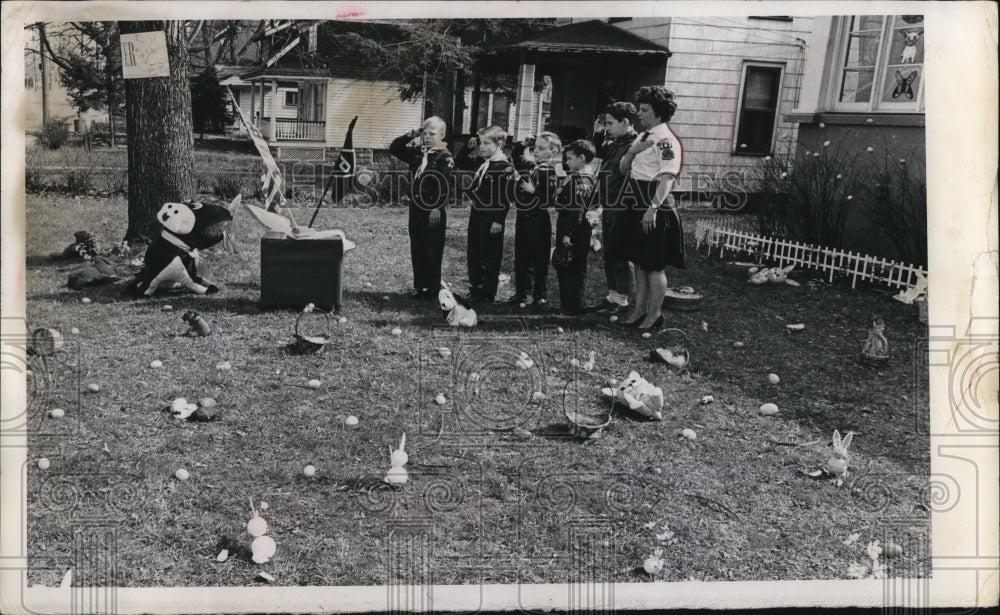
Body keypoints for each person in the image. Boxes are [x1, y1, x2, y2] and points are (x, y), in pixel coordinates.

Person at [618, 86, 685, 331]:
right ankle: (639, 309)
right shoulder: (642, 137)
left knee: (654, 264)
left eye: (645, 110)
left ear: (659, 113)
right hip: (635, 199)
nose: (640, 114)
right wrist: (630, 152)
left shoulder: (666, 140)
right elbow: (623, 169)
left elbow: (667, 177)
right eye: (640, 109)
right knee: (639, 261)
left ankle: (654, 314)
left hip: (655, 203)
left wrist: (652, 209)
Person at [388, 117, 455, 299]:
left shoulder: (444, 156)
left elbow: (445, 185)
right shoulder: (419, 153)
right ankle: (421, 286)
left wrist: (437, 208)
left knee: (431, 247)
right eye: (424, 133)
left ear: (442, 135)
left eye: (432, 134)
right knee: (417, 245)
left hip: (433, 208)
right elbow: (394, 149)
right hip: (416, 207)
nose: (427, 137)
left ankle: (433, 286)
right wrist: (411, 135)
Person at [455, 126, 516, 302]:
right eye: (480, 143)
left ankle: (488, 292)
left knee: (489, 255)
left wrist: (498, 220)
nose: (481, 147)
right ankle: (476, 287)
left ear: (500, 144)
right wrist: (468, 147)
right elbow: (460, 161)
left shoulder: (505, 168)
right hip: (477, 214)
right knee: (474, 252)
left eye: (486, 143)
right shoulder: (482, 163)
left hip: (492, 217)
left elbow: (506, 197)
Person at [592, 102, 638, 315]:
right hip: (609, 203)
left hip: (622, 204)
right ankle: (612, 295)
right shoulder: (616, 142)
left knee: (620, 253)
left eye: (611, 123)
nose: (607, 126)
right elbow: (597, 153)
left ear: (625, 122)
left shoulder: (634, 145)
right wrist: (598, 133)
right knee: (610, 253)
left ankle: (623, 300)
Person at [508, 131, 562, 310]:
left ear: (552, 152)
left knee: (539, 259)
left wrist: (534, 191)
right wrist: (522, 145)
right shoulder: (532, 167)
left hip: (539, 219)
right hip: (524, 216)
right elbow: (516, 157)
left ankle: (540, 296)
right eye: (535, 147)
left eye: (541, 148)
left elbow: (550, 200)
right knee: (522, 257)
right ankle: (522, 293)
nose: (536, 151)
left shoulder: (549, 171)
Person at [551, 139, 598, 315]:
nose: (567, 162)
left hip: (574, 229)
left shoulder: (581, 180)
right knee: (565, 264)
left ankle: (575, 306)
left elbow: (577, 209)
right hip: (572, 226)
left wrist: (567, 233)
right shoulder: (581, 177)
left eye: (570, 158)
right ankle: (568, 304)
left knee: (573, 266)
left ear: (581, 158)